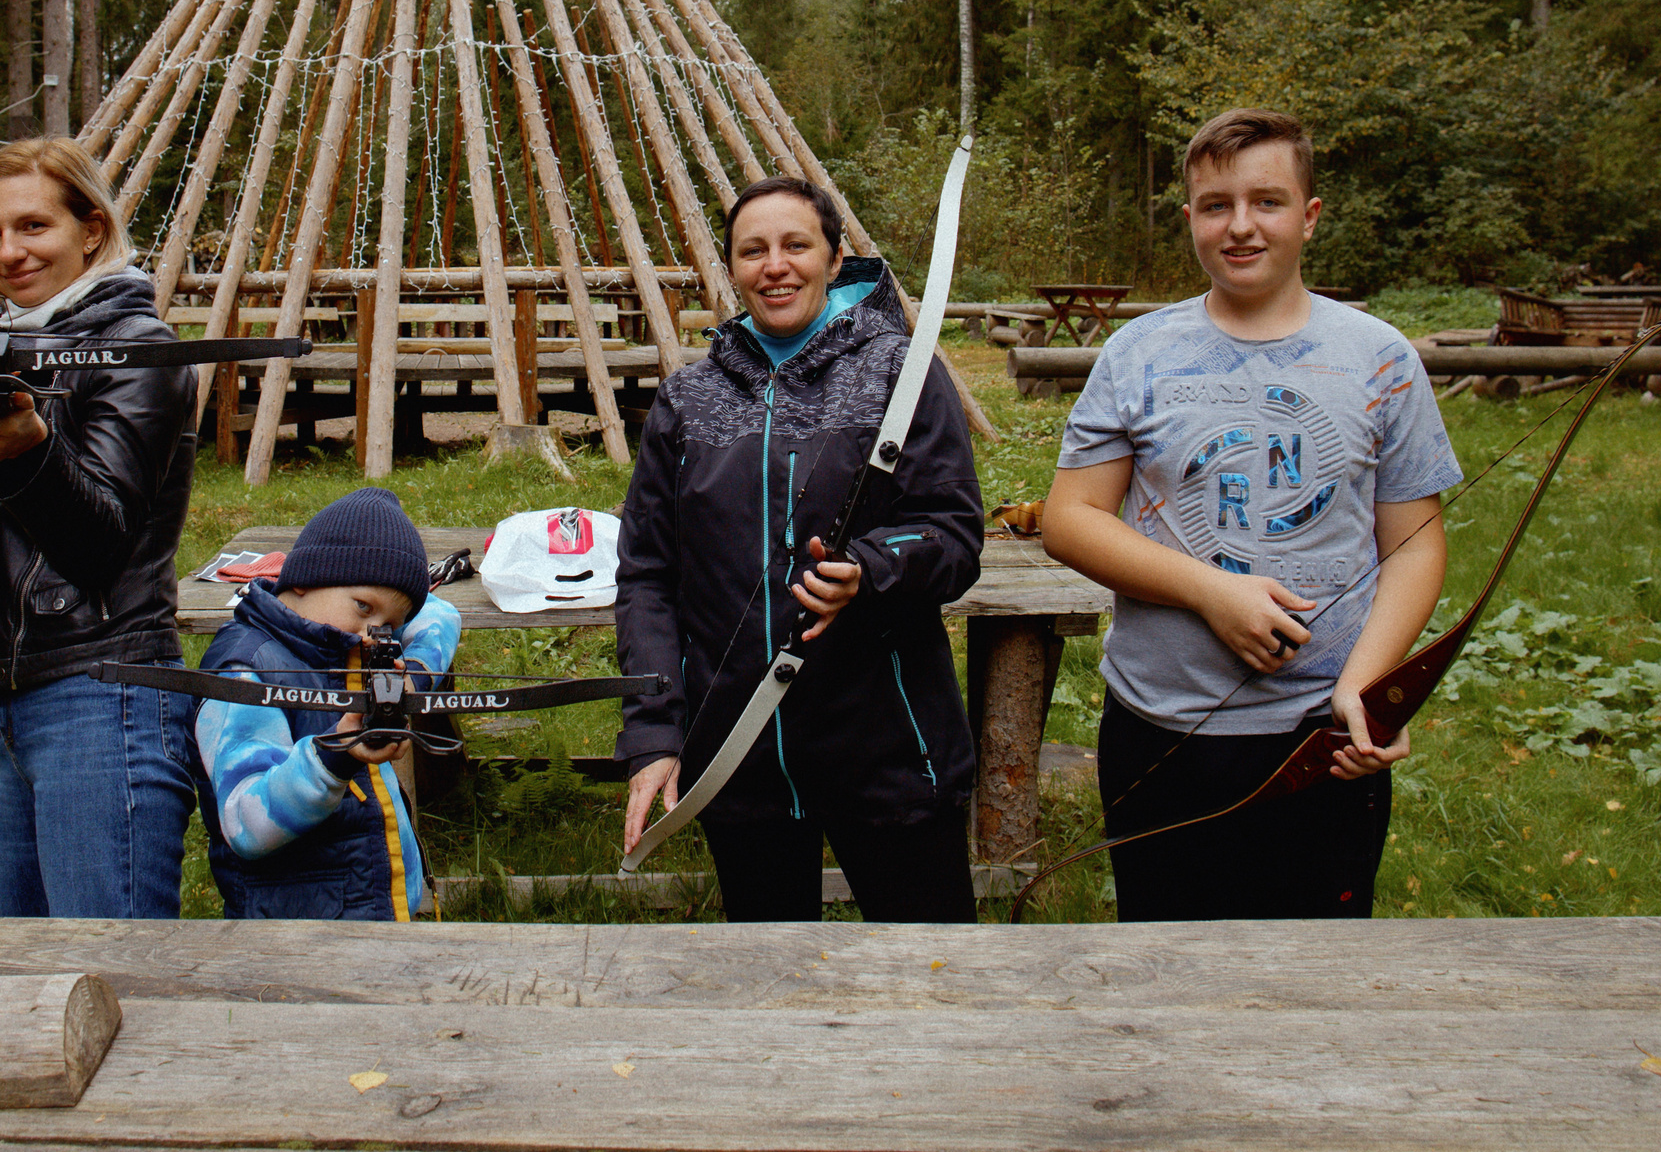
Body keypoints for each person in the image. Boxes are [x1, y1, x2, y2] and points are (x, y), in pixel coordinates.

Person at [1038, 107, 1461, 921]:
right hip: (1160, 731)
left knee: (1313, 978)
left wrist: (1368, 687)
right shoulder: (1139, 353)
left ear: (1308, 217)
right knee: (1164, 965)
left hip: (1321, 740)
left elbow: (1413, 542)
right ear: (1189, 217)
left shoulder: (1380, 357)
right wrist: (1209, 591)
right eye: (1214, 204)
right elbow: (1071, 517)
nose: (1240, 226)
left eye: (1267, 202)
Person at [616, 175, 985, 922]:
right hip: (737, 752)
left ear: (835, 255)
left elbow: (952, 532)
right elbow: (648, 574)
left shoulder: (900, 373)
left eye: (795, 245)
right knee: (769, 978)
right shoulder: (687, 399)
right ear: (732, 268)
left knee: (932, 974)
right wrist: (655, 730)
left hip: (888, 745)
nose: (774, 265)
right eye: (752, 250)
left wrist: (873, 570)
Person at [0, 136, 200, 919]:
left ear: (90, 231)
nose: (9, 251)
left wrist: (28, 450)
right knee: (15, 971)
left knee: (112, 970)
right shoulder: (0, 345)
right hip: (16, 694)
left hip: (106, 694)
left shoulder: (139, 351)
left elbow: (96, 542)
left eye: (33, 226)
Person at [191, 487, 461, 920]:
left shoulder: (348, 649)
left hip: (372, 912)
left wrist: (413, 675)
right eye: (362, 607)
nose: (374, 634)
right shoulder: (245, 669)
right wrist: (332, 758)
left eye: (390, 624)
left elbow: (441, 613)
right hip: (290, 938)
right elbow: (247, 823)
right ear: (304, 578)